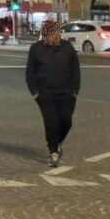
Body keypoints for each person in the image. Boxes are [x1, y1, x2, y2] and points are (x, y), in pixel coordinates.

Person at [26, 19, 81, 167]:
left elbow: (75, 71)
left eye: (54, 33)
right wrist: (34, 92)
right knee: (51, 122)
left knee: (66, 121)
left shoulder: (67, 48)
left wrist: (74, 91)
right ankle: (53, 151)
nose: (51, 36)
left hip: (66, 92)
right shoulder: (36, 49)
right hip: (45, 92)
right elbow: (30, 72)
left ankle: (57, 142)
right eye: (48, 34)